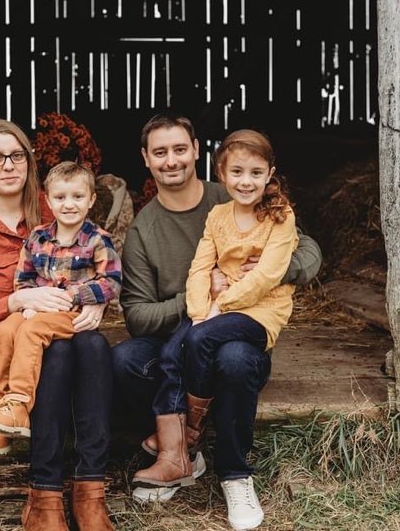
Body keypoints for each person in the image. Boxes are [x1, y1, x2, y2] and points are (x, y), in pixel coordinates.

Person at [112, 113, 322, 528]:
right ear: (146, 159)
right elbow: (136, 316)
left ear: (196, 152)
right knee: (124, 360)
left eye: (178, 149)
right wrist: (201, 296)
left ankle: (229, 470)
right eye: (160, 152)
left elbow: (309, 251)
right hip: (190, 323)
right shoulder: (143, 230)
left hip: (239, 324)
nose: (171, 160)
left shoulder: (235, 192)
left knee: (235, 361)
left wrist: (269, 273)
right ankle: (186, 454)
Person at [0, 120, 114, 531]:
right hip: (0, 352)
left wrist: (96, 306)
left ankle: (91, 491)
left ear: (29, 160)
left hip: (62, 330)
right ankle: (45, 496)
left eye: (16, 155)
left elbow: (99, 269)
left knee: (93, 346)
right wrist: (18, 300)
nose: (8, 165)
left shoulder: (58, 205)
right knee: (60, 354)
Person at [0, 161, 122, 440]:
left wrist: (72, 295)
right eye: (60, 197)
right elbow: (24, 278)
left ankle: (18, 403)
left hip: (71, 313)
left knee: (29, 332)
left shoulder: (98, 240)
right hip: (38, 309)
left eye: (77, 197)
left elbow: (111, 281)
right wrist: (31, 304)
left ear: (91, 200)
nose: (69, 204)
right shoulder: (37, 237)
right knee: (5, 330)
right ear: (48, 201)